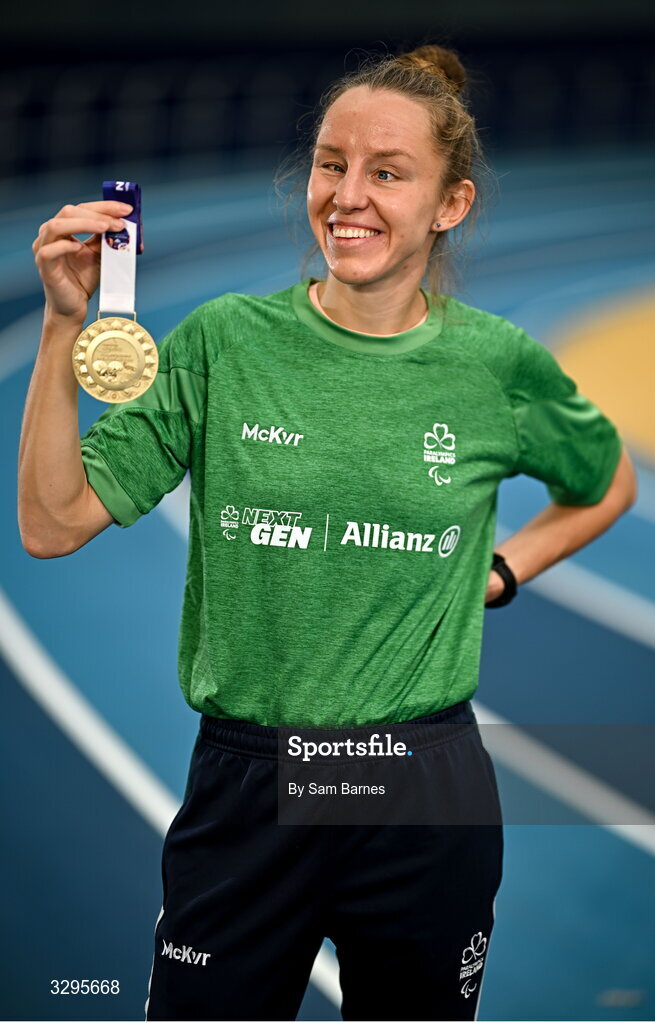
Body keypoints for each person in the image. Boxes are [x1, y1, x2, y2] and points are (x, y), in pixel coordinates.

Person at [19, 42, 637, 1023]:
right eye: (329, 164)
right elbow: (52, 525)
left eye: (387, 173)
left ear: (451, 204)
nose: (347, 196)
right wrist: (62, 325)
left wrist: (502, 569)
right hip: (251, 782)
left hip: (419, 785)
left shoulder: (496, 365)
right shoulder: (223, 341)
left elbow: (606, 482)